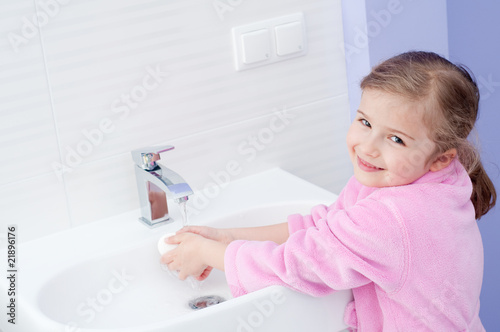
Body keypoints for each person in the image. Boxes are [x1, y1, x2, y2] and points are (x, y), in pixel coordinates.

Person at [161, 51, 496, 330]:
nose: (368, 147)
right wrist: (227, 236)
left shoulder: (394, 217)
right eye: (365, 122)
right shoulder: (423, 179)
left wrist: (208, 254)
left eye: (396, 139)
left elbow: (295, 265)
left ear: (441, 158)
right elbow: (326, 228)